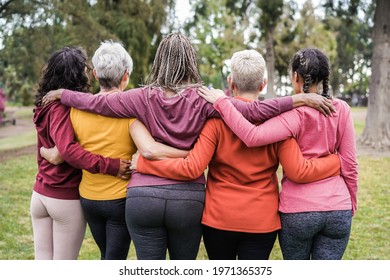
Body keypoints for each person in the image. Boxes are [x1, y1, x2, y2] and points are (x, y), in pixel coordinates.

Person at [41, 33, 335, 260]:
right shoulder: (204, 98)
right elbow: (252, 112)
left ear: (160, 60)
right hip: (188, 199)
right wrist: (297, 99)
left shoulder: (142, 96)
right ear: (191, 60)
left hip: (143, 195)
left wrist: (62, 93)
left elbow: (95, 102)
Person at [129, 49, 341, 260]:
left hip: (219, 220)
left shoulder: (215, 123)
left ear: (230, 83)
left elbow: (192, 167)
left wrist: (144, 165)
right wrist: (336, 160)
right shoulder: (277, 124)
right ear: (263, 85)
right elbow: (297, 167)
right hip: (262, 221)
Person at [198, 48, 358, 260]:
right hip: (334, 207)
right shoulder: (342, 109)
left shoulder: (290, 115)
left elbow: (253, 137)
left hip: (291, 212)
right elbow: (351, 165)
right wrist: (350, 201)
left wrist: (221, 102)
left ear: (294, 77)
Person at [31, 46, 131, 260]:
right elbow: (64, 151)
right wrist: (111, 165)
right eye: (84, 70)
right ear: (77, 74)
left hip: (40, 193)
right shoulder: (65, 109)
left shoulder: (45, 105)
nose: (88, 73)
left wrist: (45, 152)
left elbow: (51, 149)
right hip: (63, 195)